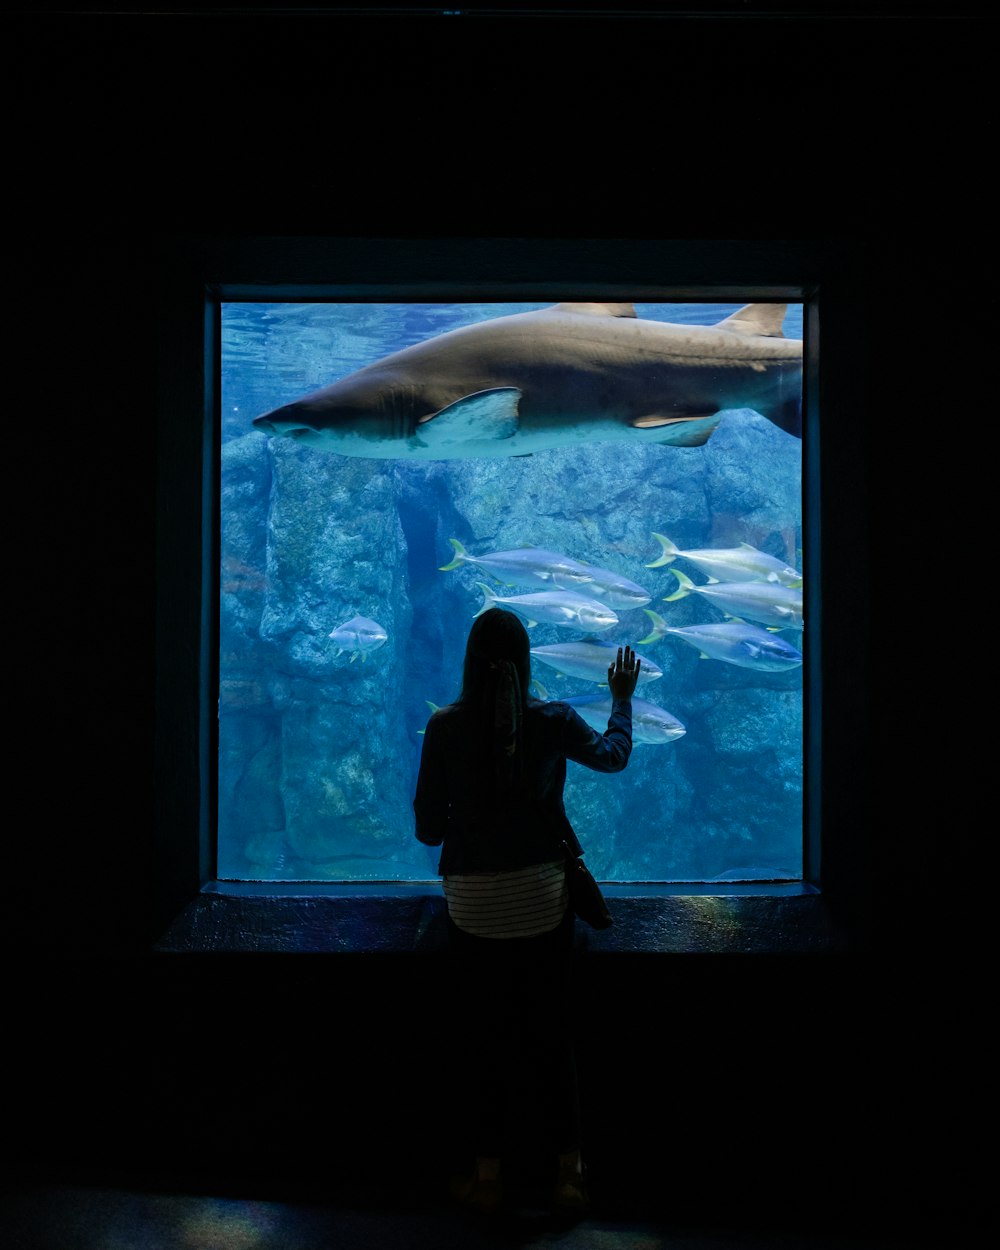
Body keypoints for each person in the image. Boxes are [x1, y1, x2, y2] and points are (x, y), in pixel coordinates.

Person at [413, 606, 640, 1216]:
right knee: (550, 1038)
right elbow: (614, 756)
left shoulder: (444, 727)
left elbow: (428, 831)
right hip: (542, 901)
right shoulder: (553, 719)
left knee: (485, 1041)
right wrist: (621, 700)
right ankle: (569, 1176)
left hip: (473, 909)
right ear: (526, 660)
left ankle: (486, 1181)